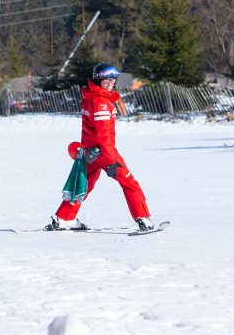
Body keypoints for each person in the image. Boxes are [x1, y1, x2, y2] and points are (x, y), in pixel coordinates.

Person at [45, 63, 154, 232]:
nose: (110, 83)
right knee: (130, 183)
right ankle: (144, 219)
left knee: (83, 185)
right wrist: (110, 161)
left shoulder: (90, 97)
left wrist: (89, 151)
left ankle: (65, 218)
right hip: (104, 152)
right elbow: (103, 135)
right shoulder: (101, 102)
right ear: (98, 79)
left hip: (89, 152)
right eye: (106, 80)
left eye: (113, 80)